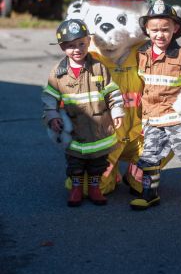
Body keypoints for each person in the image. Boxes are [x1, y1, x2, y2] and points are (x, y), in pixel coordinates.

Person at [130, 0, 181, 211]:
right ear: (146, 30)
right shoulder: (140, 54)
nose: (160, 34)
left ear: (175, 28)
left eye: (165, 29)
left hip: (176, 117)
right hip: (151, 118)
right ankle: (150, 194)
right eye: (154, 30)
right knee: (149, 156)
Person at [42, 19, 124, 207]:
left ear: (88, 42)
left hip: (99, 130)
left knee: (98, 165)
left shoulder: (98, 67)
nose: (77, 49)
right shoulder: (58, 72)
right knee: (75, 165)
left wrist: (117, 110)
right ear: (63, 47)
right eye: (71, 46)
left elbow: (112, 91)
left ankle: (95, 189)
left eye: (81, 44)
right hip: (75, 132)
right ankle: (76, 189)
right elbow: (49, 97)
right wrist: (53, 116)